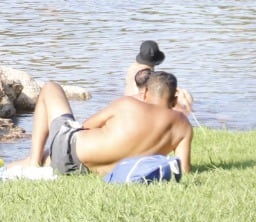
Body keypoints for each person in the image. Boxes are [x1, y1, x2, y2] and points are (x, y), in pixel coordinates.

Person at [17, 73, 191, 176]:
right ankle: (9, 170)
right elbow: (183, 169)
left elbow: (86, 125)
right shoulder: (183, 126)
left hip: (70, 150)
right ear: (174, 99)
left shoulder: (128, 104)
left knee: (50, 87)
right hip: (83, 169)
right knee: (47, 155)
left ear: (145, 92)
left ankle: (33, 164)